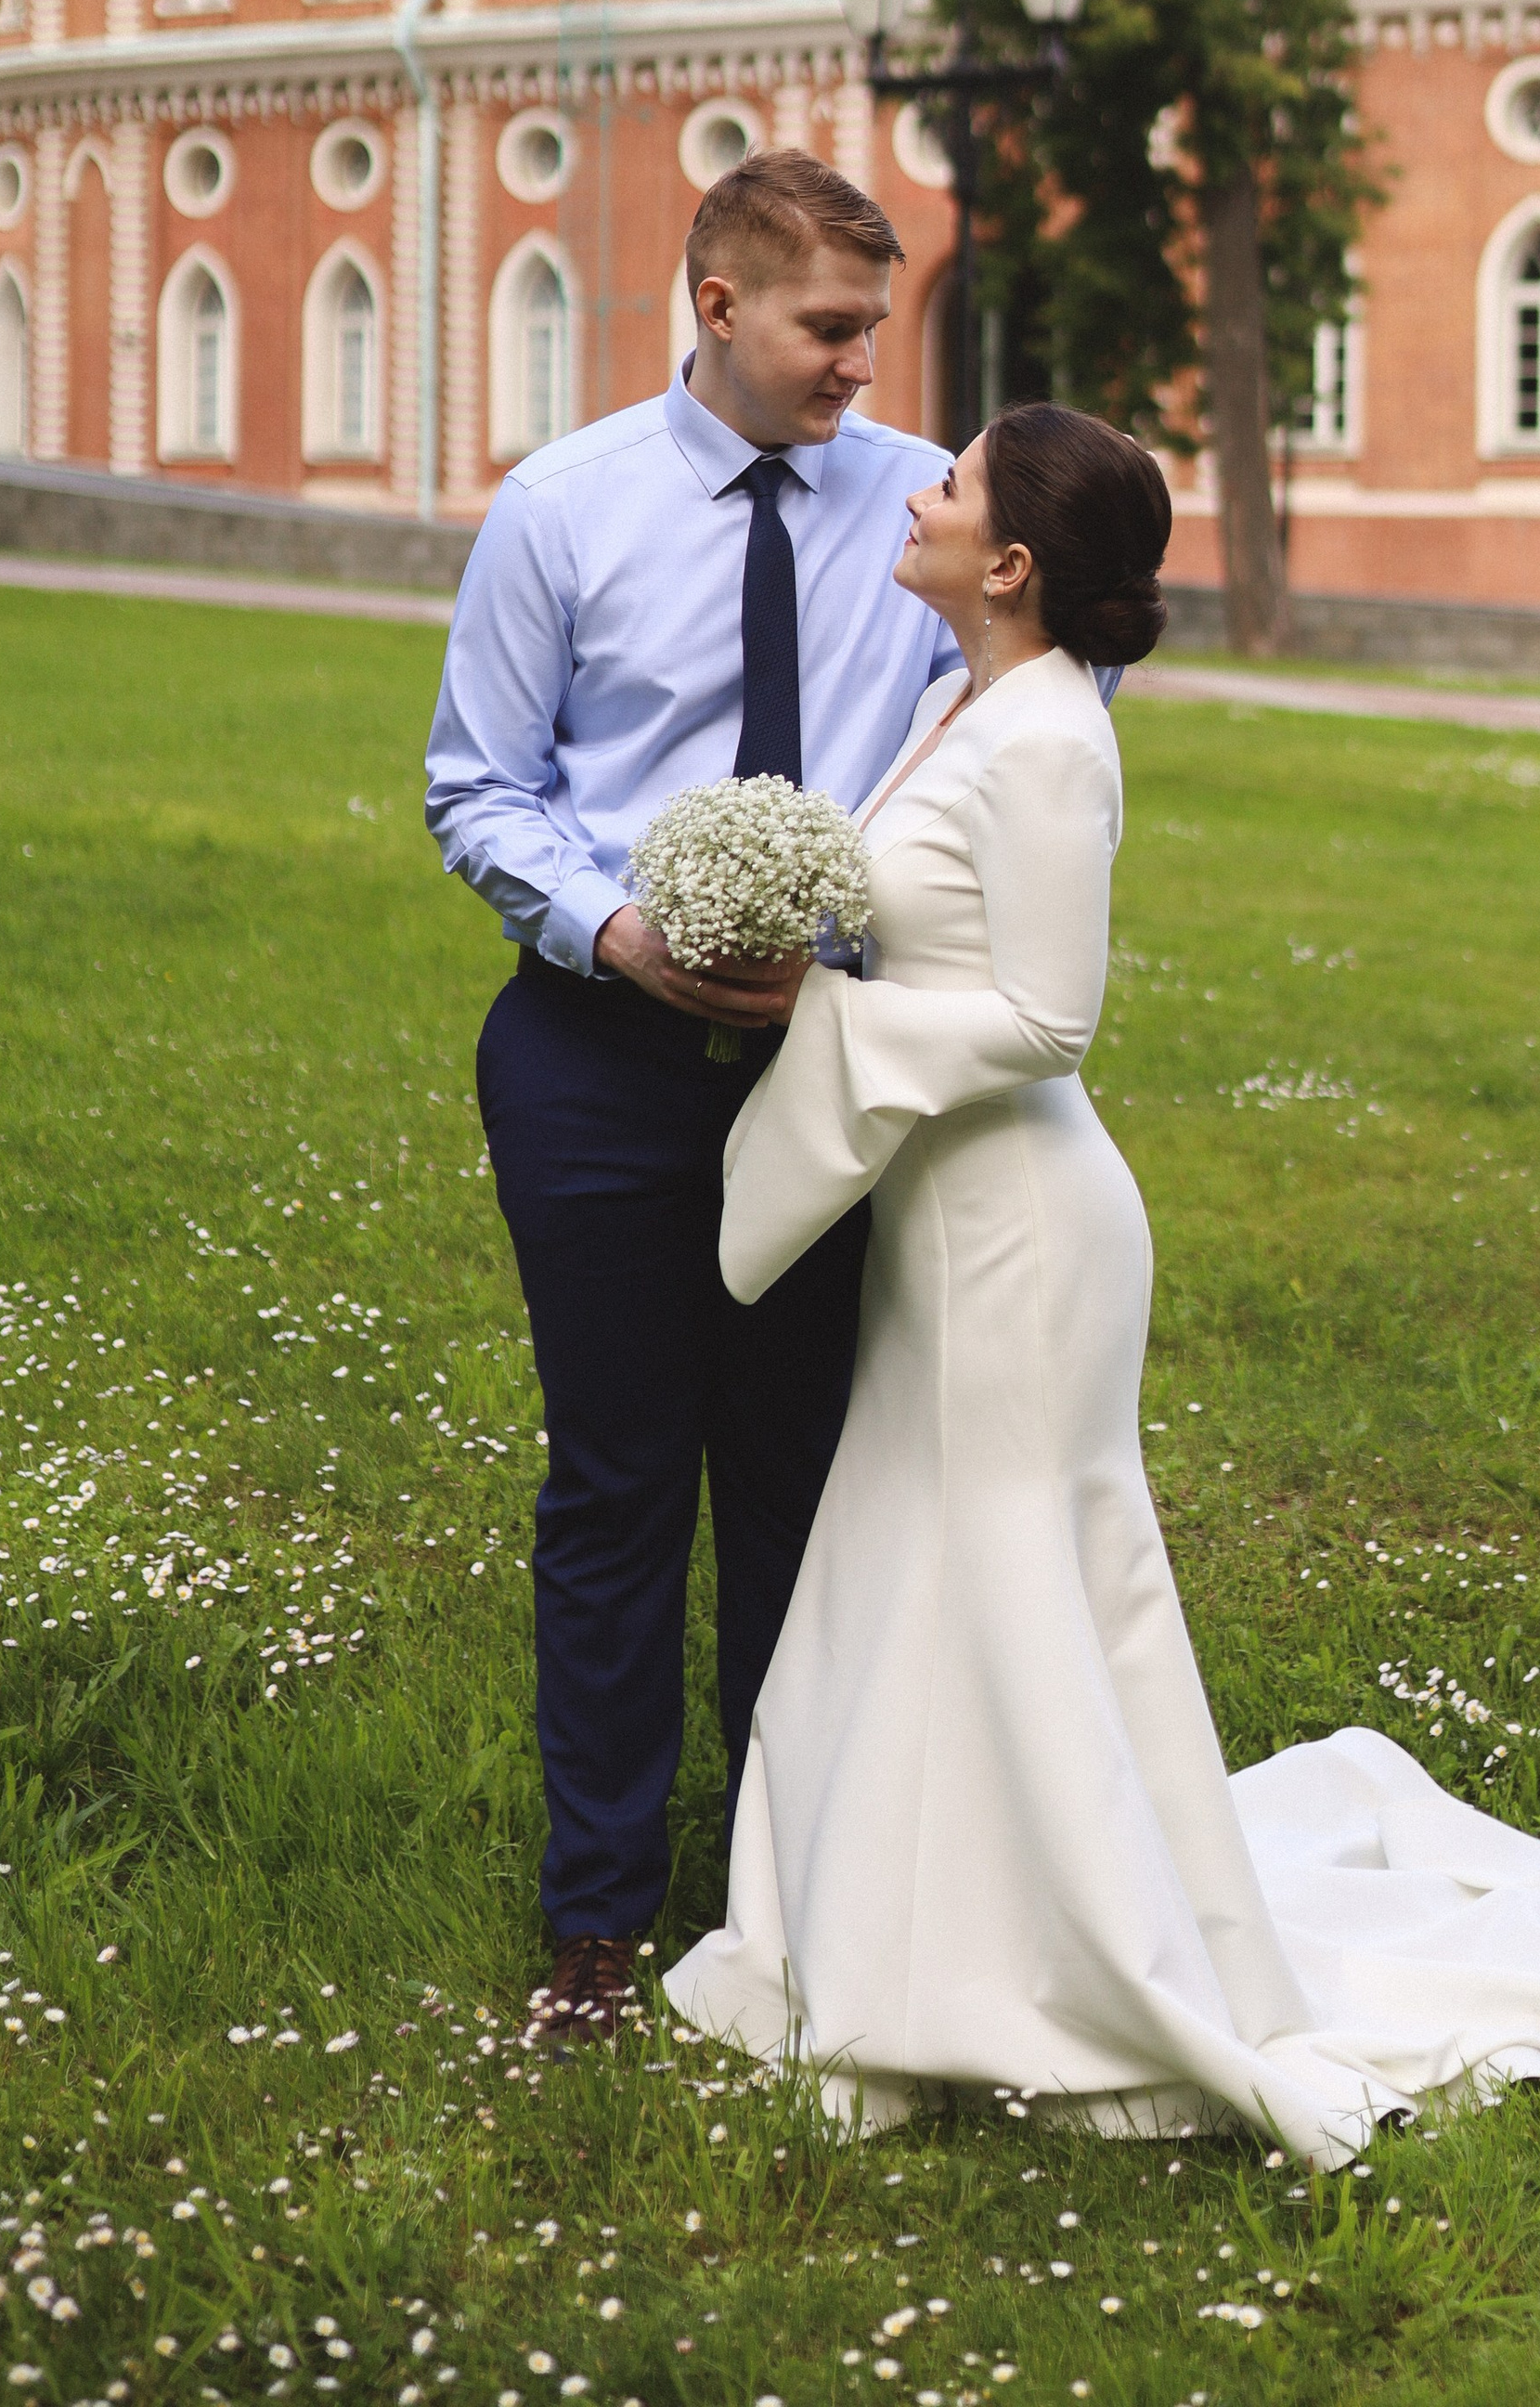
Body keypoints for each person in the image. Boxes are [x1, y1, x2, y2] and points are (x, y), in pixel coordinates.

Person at [666, 402, 1540, 2157]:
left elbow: (1050, 1017)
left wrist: (829, 1018)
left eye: (948, 485)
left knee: (1009, 1566)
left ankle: (1061, 1958)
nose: (919, 494)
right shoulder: (974, 703)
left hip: (1019, 1237)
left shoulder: (1049, 744)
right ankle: (903, 1922)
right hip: (945, 1230)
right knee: (919, 1553)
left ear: (1011, 563)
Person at [423, 149, 957, 2040]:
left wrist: (878, 950)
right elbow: (476, 785)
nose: (857, 374)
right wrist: (615, 931)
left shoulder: (931, 512)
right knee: (621, 1482)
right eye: (827, 329)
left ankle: (784, 1905)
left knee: (801, 1486)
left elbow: (1016, 739)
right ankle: (597, 1914)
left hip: (833, 1076)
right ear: (715, 305)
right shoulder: (559, 511)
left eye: (871, 335)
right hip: (595, 1067)